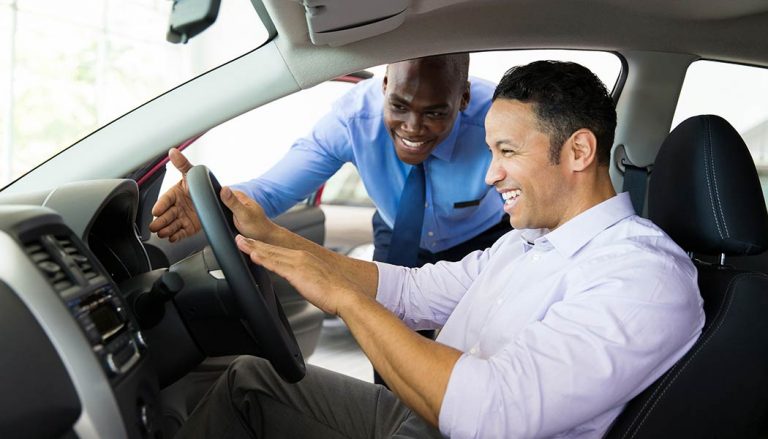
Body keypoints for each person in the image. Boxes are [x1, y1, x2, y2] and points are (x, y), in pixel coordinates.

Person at [174, 60, 705, 438]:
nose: (490, 173)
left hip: (459, 427)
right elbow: (409, 288)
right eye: (491, 150)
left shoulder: (641, 277)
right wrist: (271, 235)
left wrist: (345, 298)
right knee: (250, 379)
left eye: (507, 152)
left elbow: (492, 416)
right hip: (421, 419)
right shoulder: (527, 244)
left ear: (579, 151)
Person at [149, 53, 510, 268]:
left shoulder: (499, 121)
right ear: (384, 85)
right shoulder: (351, 119)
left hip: (483, 237)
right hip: (397, 231)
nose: (413, 128)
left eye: (434, 113)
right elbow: (274, 191)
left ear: (462, 99)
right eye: (399, 106)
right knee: (390, 349)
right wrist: (214, 201)